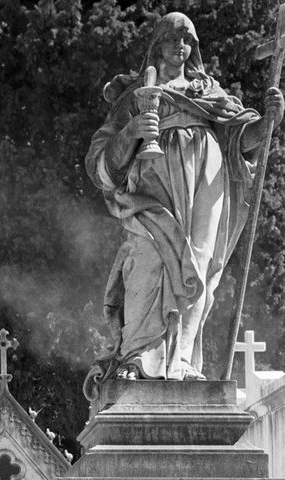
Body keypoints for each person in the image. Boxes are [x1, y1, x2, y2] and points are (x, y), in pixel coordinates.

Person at [84, 12, 284, 390]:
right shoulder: (136, 95)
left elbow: (240, 142)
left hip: (207, 182)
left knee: (198, 264)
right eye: (173, 37)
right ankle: (139, 356)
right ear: (157, 43)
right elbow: (99, 165)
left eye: (188, 39)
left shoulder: (209, 92)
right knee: (151, 254)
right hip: (151, 187)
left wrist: (267, 121)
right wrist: (131, 133)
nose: (181, 46)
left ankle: (183, 361)